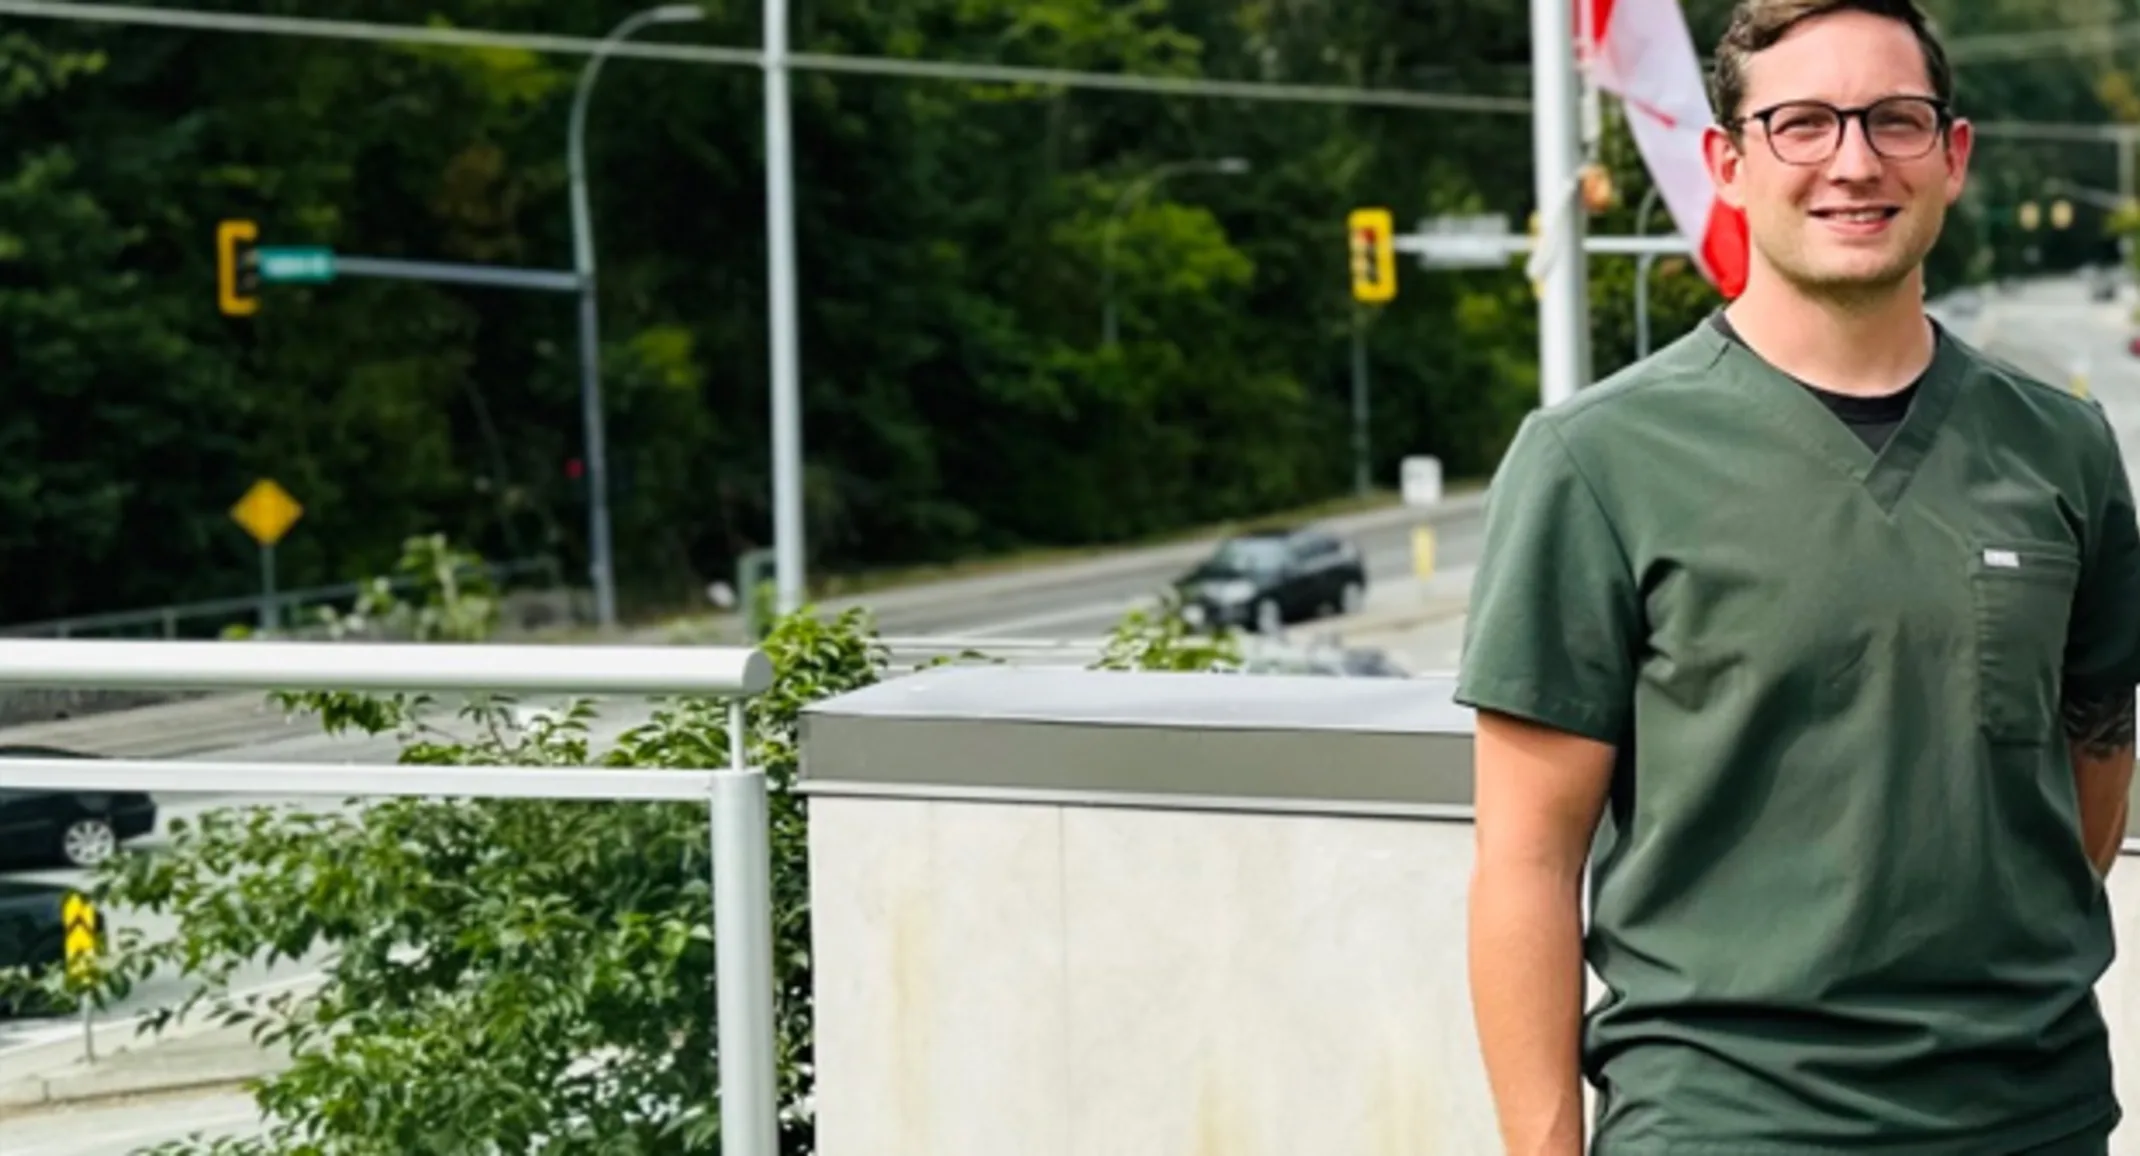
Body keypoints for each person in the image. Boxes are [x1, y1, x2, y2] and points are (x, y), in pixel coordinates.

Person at [1455, 2, 2140, 1154]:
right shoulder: (1595, 460)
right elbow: (1525, 859)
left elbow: (2094, 756)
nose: (1854, 161)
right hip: (1725, 1120)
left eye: (1894, 121)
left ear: (1952, 155)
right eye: (1802, 124)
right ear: (1727, 162)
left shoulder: (2061, 449)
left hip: (2032, 1114)